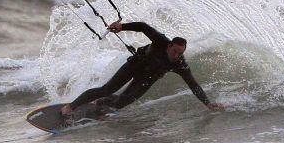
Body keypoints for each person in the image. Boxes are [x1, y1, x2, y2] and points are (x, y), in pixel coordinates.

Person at [62, 20, 223, 117]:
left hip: (147, 79)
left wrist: (207, 103)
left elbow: (193, 84)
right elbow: (143, 27)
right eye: (175, 51)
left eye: (180, 53)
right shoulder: (160, 41)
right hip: (134, 66)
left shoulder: (180, 64)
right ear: (169, 45)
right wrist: (122, 26)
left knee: (121, 103)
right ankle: (70, 106)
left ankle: (100, 105)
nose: (176, 56)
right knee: (107, 89)